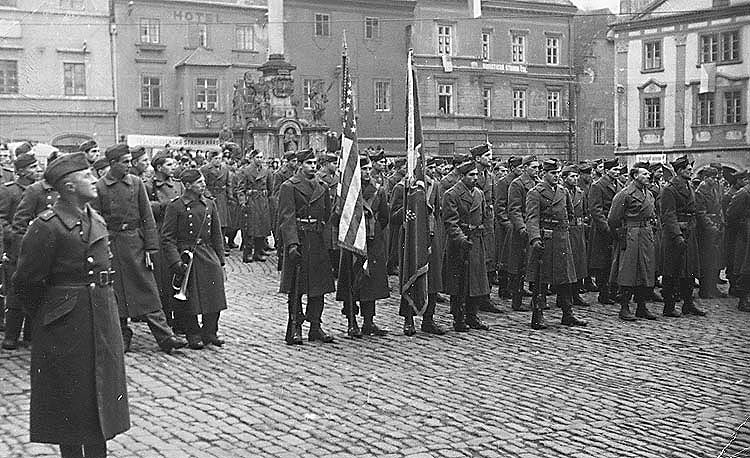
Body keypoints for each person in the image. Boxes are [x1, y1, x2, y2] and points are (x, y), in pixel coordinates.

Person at [12, 152, 130, 458]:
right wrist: (52, 316)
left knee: (99, 394)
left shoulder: (95, 218)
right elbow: (25, 283)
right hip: (66, 325)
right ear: (68, 187)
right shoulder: (47, 226)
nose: (94, 180)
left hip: (102, 315)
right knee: (71, 399)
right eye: (86, 176)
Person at [91, 144, 186, 353]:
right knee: (117, 292)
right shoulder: (100, 187)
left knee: (147, 289)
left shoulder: (135, 183)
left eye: (129, 161)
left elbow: (147, 217)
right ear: (113, 163)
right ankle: (122, 333)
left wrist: (151, 248)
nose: (128, 165)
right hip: (112, 244)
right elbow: (96, 222)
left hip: (136, 243)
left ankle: (164, 335)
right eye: (124, 162)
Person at [161, 169, 227, 348]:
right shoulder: (176, 206)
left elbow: (216, 235)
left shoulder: (210, 204)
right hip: (187, 256)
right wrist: (176, 262)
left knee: (215, 295)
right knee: (190, 299)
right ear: (187, 185)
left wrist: (220, 261)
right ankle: (193, 333)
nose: (203, 185)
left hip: (207, 253)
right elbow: (167, 238)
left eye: (203, 181)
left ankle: (210, 332)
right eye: (199, 182)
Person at [277, 149, 336, 344]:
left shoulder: (323, 186)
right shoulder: (289, 186)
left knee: (318, 288)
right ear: (300, 165)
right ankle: (295, 326)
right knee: (297, 288)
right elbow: (287, 217)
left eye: (314, 163)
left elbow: (327, 214)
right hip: (300, 240)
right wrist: (292, 243)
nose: (312, 166)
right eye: (308, 163)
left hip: (317, 241)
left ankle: (315, 326)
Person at [525, 159, 587, 329]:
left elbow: (570, 213)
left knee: (565, 278)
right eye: (553, 173)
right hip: (546, 238)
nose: (556, 176)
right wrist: (535, 238)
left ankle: (568, 314)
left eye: (558, 173)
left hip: (562, 237)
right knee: (542, 279)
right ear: (544, 173)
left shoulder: (563, 191)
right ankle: (538, 314)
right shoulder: (535, 192)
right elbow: (532, 218)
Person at [337, 157, 389, 337]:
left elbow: (384, 217)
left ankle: (369, 321)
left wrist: (372, 230)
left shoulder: (378, 191)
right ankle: (351, 321)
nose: (367, 172)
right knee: (352, 281)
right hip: (353, 242)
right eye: (363, 169)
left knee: (370, 284)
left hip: (372, 241)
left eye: (368, 169)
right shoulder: (350, 191)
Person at [441, 160, 491, 332]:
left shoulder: (479, 193)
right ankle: (458, 317)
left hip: (476, 241)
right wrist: (461, 239)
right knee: (460, 283)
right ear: (462, 177)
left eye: (476, 175)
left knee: (476, 282)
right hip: (460, 244)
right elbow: (450, 222)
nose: (475, 178)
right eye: (471, 175)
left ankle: (473, 316)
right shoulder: (451, 194)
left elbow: (485, 216)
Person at [607, 164, 657, 321]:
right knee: (628, 271)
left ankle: (641, 306)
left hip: (645, 234)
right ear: (635, 176)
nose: (648, 176)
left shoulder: (648, 193)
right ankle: (624, 307)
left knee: (645, 270)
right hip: (631, 234)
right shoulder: (625, 194)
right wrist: (621, 236)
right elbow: (613, 219)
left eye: (649, 174)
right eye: (644, 174)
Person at [0, 152, 40, 349]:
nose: (37, 170)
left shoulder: (40, 191)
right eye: (32, 167)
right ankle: (11, 335)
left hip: (36, 248)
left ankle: (31, 336)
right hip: (15, 249)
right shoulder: (9, 192)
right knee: (15, 294)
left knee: (35, 289)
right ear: (21, 171)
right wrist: (15, 235)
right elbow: (2, 220)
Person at [660, 155, 705, 318]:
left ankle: (688, 303)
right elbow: (668, 215)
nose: (691, 171)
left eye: (691, 169)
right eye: (688, 169)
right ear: (679, 171)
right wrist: (677, 235)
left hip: (690, 232)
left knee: (690, 270)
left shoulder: (689, 186)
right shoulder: (669, 189)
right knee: (671, 271)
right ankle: (669, 305)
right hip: (675, 236)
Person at [145, 152, 185, 333]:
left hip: (179, 233)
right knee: (164, 277)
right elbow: (145, 208)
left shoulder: (178, 184)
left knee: (181, 274)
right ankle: (167, 316)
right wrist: (165, 205)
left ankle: (182, 316)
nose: (173, 167)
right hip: (161, 233)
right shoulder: (148, 186)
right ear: (159, 168)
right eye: (169, 164)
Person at [506, 155, 540, 311]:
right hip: (521, 231)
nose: (536, 170)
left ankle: (537, 299)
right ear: (525, 168)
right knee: (519, 266)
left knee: (535, 265)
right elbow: (514, 209)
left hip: (535, 228)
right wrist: (521, 228)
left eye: (538, 167)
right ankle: (517, 300)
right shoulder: (517, 184)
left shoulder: (538, 183)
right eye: (533, 167)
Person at [588, 158, 622, 305]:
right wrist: (606, 228)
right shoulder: (598, 186)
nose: (617, 172)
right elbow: (595, 210)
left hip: (617, 227)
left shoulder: (619, 185)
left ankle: (613, 291)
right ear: (606, 171)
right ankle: (603, 293)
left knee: (615, 260)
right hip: (603, 229)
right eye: (614, 170)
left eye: (618, 170)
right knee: (603, 263)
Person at [695, 164, 726, 298]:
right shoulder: (700, 191)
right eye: (712, 178)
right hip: (705, 230)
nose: (715, 180)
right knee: (706, 260)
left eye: (715, 177)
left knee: (714, 259)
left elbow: (718, 207)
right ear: (705, 177)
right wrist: (711, 227)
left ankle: (712, 287)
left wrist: (720, 224)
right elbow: (700, 213)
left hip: (715, 227)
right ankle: (704, 289)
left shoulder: (713, 188)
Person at [494, 156, 522, 299]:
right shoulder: (503, 182)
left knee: (516, 257)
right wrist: (507, 224)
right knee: (505, 259)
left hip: (517, 225)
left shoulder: (520, 182)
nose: (521, 170)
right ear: (512, 168)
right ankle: (504, 288)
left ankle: (515, 287)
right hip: (507, 227)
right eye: (519, 168)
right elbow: (499, 206)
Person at [561, 164, 590, 306]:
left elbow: (584, 212)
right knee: (567, 264)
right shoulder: (561, 192)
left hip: (578, 229)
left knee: (579, 262)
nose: (575, 179)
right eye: (572, 176)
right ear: (564, 178)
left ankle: (576, 293)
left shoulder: (580, 192)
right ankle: (565, 295)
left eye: (576, 176)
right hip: (567, 229)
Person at [471, 143, 498, 293]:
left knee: (489, 257)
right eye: (487, 156)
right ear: (478, 158)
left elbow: (493, 198)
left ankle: (486, 294)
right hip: (475, 223)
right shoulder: (471, 176)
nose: (491, 159)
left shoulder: (491, 176)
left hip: (488, 222)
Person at [238, 149, 272, 262]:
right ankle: (248, 253)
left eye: (261, 157)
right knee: (250, 229)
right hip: (251, 201)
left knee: (262, 228)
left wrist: (267, 201)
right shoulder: (246, 171)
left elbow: (270, 188)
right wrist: (242, 202)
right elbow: (240, 189)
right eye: (257, 157)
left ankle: (258, 252)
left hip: (262, 202)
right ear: (252, 158)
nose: (260, 160)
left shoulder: (266, 171)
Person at [726, 170, 750, 312]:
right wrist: (743, 227)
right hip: (746, 235)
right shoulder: (744, 193)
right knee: (746, 267)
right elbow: (731, 215)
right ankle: (743, 299)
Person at [200, 150, 231, 254]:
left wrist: (229, 196)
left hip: (222, 197)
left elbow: (228, 183)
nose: (218, 161)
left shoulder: (225, 168)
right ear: (211, 159)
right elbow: (202, 185)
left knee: (223, 222)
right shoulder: (205, 169)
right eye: (216, 159)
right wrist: (209, 196)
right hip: (211, 197)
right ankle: (214, 244)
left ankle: (222, 243)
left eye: (220, 159)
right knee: (212, 220)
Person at [271, 151, 298, 267]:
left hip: (296, 205)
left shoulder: (298, 172)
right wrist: (280, 207)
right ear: (287, 162)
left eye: (296, 161)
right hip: (285, 205)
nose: (295, 163)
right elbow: (276, 192)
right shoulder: (280, 174)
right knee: (283, 232)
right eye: (293, 161)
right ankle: (281, 256)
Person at [316, 153, 341, 277]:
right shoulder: (318, 177)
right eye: (333, 163)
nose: (336, 166)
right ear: (326, 164)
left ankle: (336, 268)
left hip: (335, 214)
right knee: (326, 243)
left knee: (335, 242)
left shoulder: (338, 177)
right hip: (325, 214)